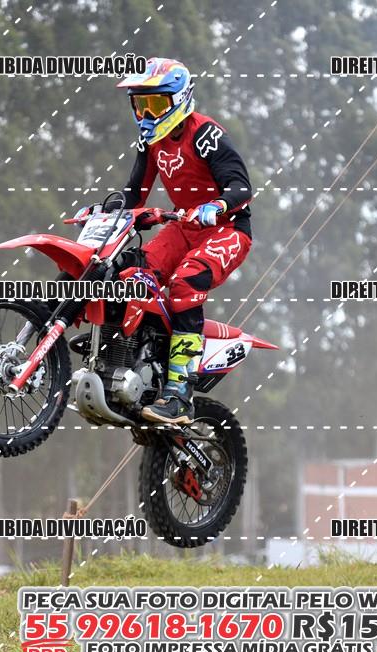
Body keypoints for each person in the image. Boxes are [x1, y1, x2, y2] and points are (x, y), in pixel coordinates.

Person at [115, 57, 253, 424]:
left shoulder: (205, 134)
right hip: (183, 225)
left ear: (179, 99)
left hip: (227, 228)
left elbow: (241, 186)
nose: (147, 114)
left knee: (186, 281)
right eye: (140, 105)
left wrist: (217, 205)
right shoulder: (151, 140)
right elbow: (134, 194)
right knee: (131, 272)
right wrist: (104, 210)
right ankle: (138, 359)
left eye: (155, 104)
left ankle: (180, 393)